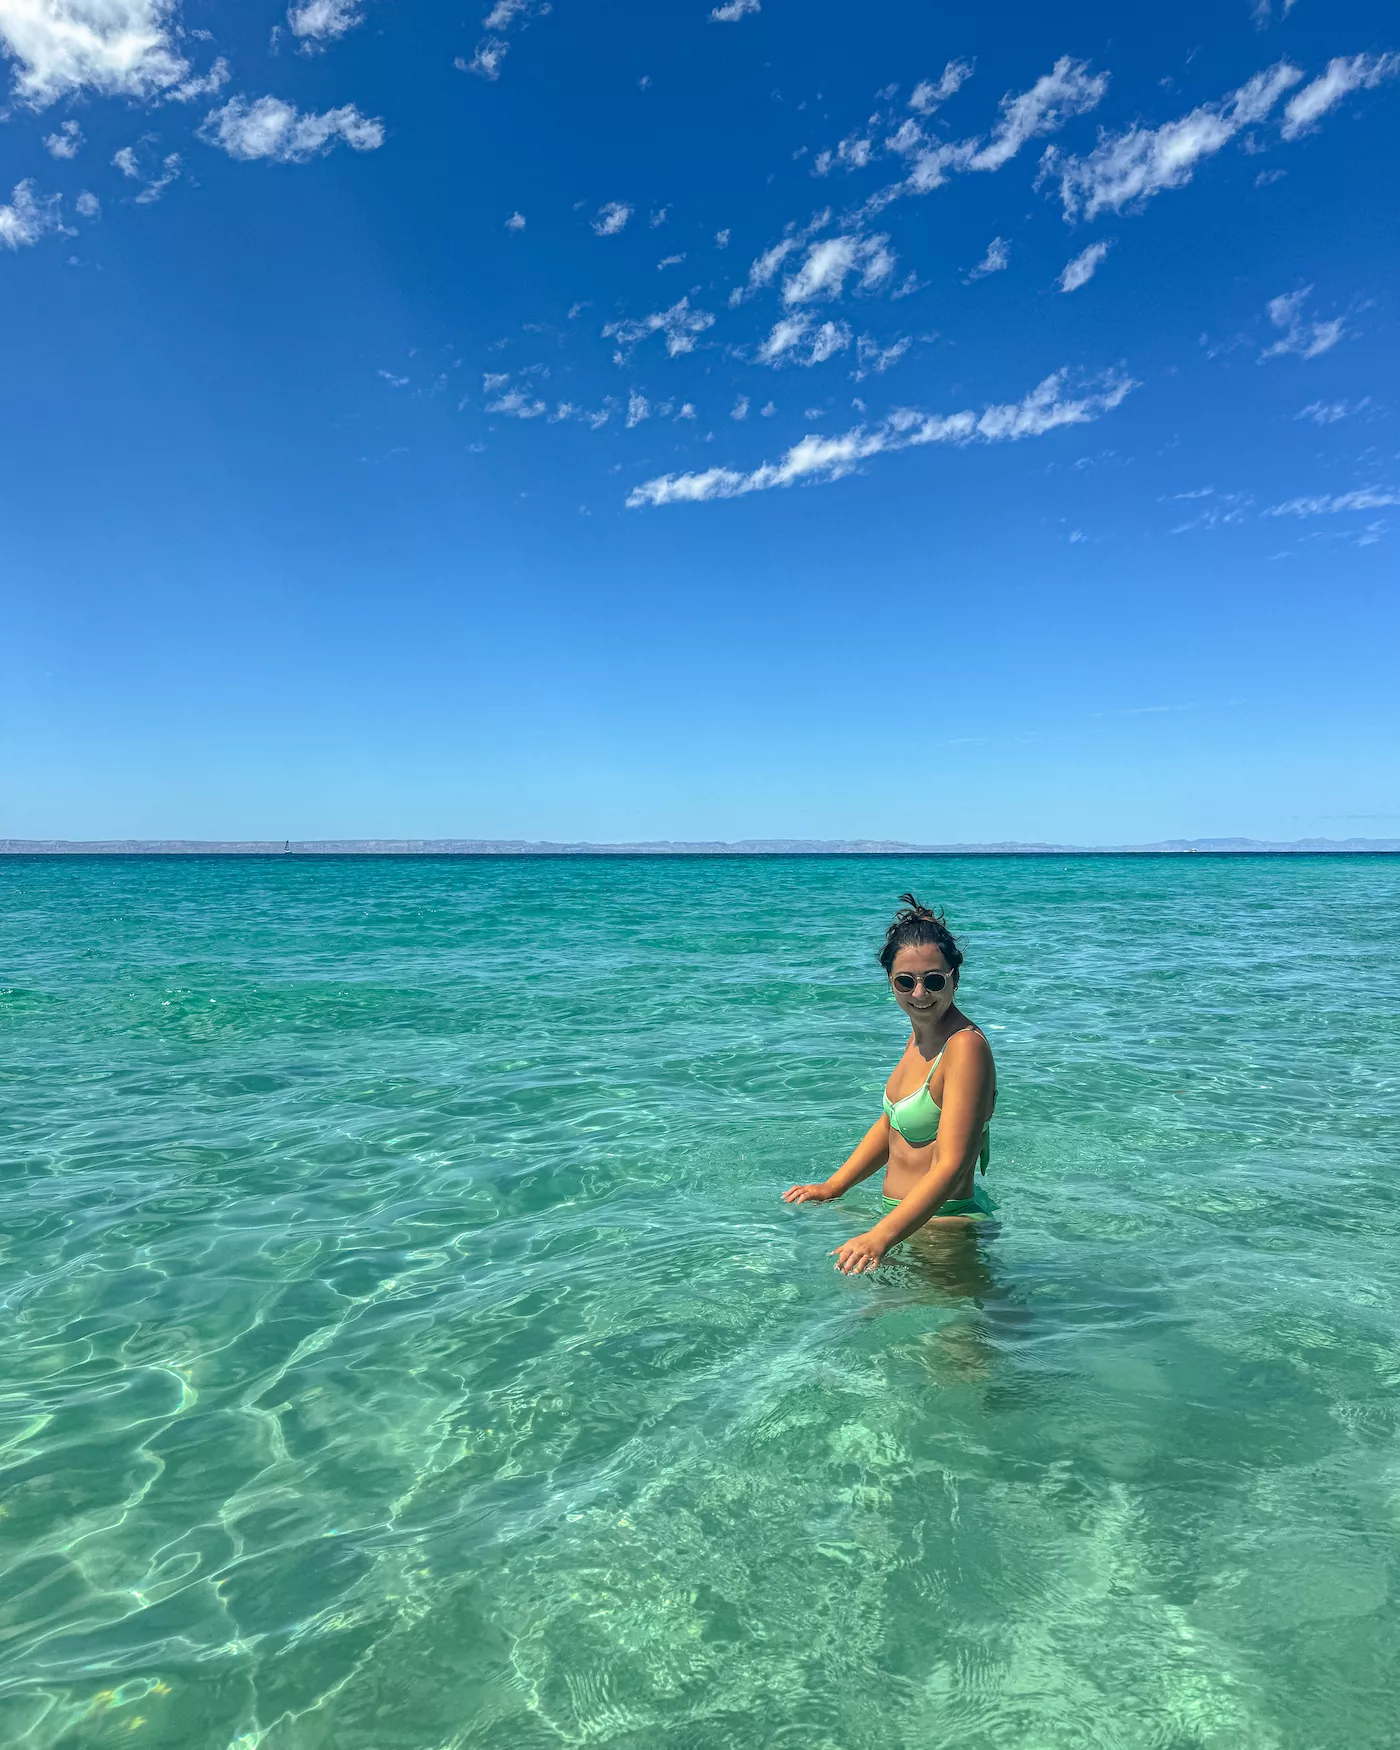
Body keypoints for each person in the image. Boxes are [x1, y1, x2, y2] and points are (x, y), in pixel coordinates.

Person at [783, 895, 997, 1274]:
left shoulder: (964, 1048)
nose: (919, 994)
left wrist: (880, 1236)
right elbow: (890, 1125)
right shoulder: (919, 1037)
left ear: (955, 978)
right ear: (890, 982)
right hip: (903, 1223)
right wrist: (833, 1187)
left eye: (933, 980)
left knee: (957, 1333)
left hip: (942, 1230)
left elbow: (951, 1165)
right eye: (905, 981)